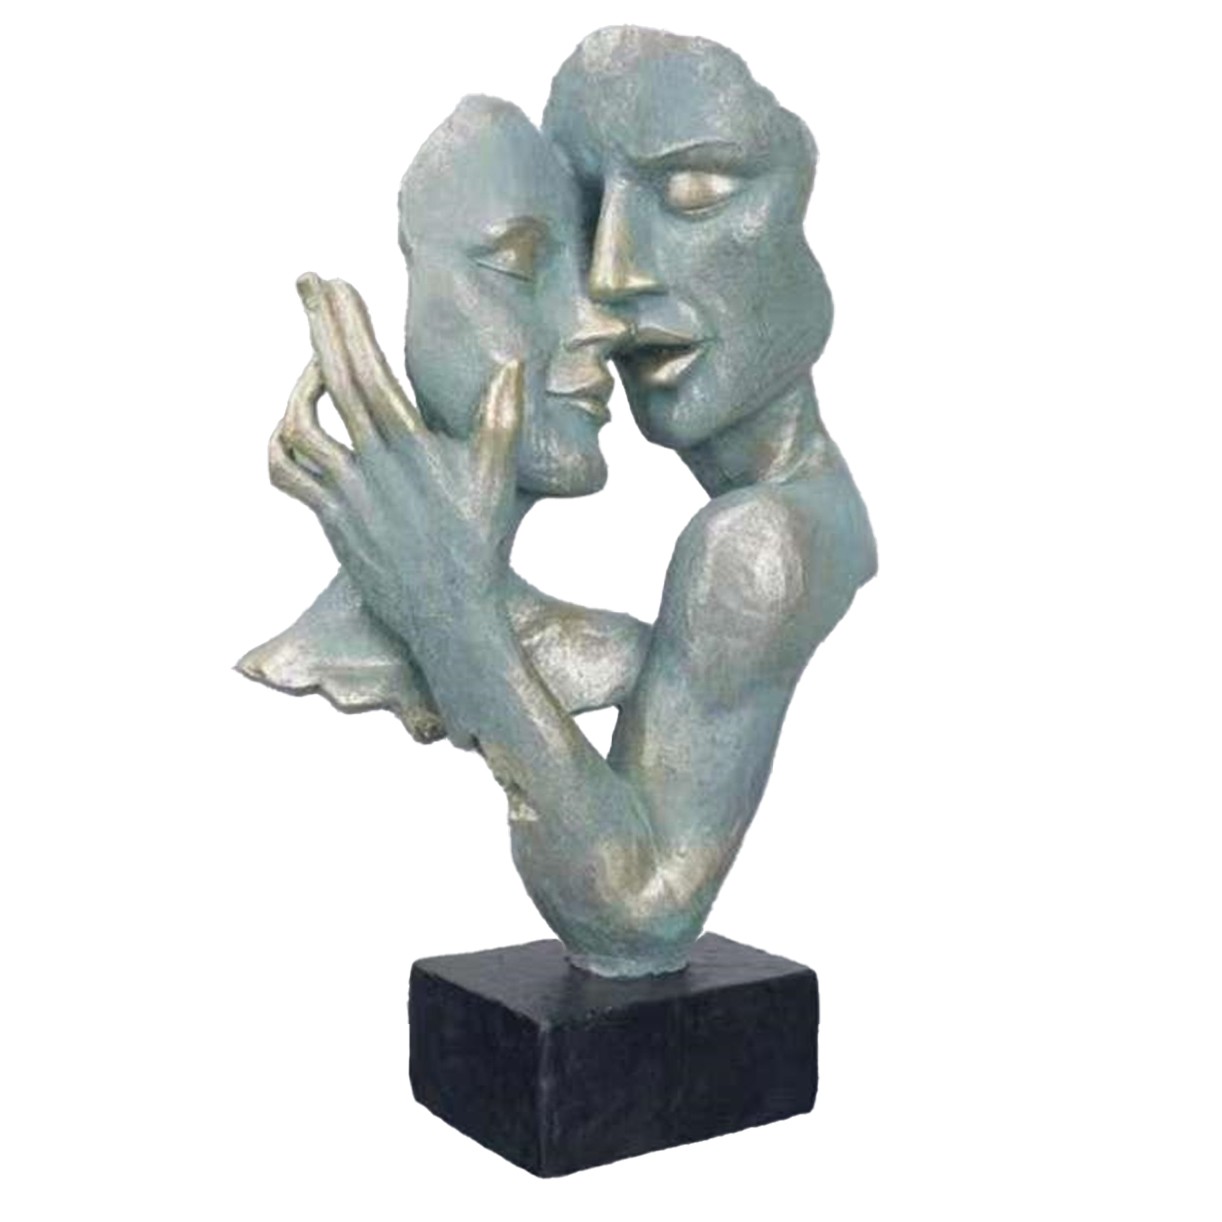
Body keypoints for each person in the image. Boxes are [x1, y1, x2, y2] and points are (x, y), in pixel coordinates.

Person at [269, 29, 876, 976]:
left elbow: (640, 917)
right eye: (588, 223)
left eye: (694, 193)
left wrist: (457, 628)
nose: (609, 281)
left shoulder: (759, 546)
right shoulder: (706, 581)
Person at [239, 96, 647, 742]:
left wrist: (459, 625)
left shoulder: (623, 662)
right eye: (520, 264)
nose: (605, 325)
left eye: (595, 282)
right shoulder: (274, 688)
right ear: (408, 296)